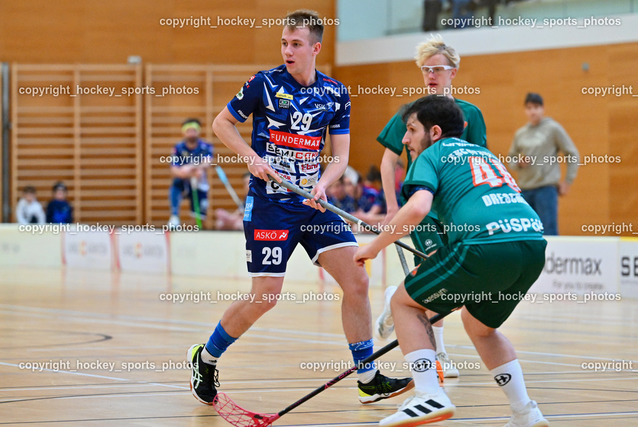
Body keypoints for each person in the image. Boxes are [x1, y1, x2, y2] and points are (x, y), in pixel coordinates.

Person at [187, 9, 412, 407]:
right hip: (271, 206)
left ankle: (367, 377)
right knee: (266, 296)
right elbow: (222, 123)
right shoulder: (264, 83)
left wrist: (324, 184)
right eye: (284, 44)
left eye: (295, 44)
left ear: (315, 48)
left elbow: (340, 157)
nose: (287, 51)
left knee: (357, 281)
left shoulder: (335, 93)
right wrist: (251, 158)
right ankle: (205, 358)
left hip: (313, 204)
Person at [355, 95, 549, 427]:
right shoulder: (484, 154)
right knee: (480, 327)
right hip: (532, 245)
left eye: (411, 130)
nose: (405, 140)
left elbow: (418, 208)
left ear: (434, 132)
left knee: (404, 303)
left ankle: (429, 395)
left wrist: (373, 247)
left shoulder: (431, 154)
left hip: (484, 245)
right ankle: (525, 412)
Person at [376, 35, 487, 378]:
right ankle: (438, 353)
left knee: (449, 279)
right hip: (422, 206)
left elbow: (477, 163)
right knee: (436, 273)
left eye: (437, 69)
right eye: (425, 69)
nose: (431, 75)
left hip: (455, 212)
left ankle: (395, 297)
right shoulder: (411, 114)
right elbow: (388, 161)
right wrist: (392, 207)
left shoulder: (470, 115)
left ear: (454, 72)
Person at [507, 92, 579, 235]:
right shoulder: (520, 133)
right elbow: (510, 158)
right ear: (525, 110)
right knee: (527, 234)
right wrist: (518, 163)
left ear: (542, 108)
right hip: (524, 190)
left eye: (536, 107)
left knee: (548, 232)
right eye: (529, 108)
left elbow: (572, 154)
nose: (532, 111)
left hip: (546, 190)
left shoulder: (553, 129)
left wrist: (568, 181)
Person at [168, 118, 213, 228]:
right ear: (184, 132)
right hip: (184, 181)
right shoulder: (178, 148)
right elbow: (174, 169)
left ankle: (198, 229)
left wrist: (190, 167)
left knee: (199, 218)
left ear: (198, 131)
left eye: (194, 130)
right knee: (176, 184)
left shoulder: (206, 147)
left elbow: (207, 163)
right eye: (189, 131)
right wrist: (190, 173)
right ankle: (174, 215)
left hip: (199, 183)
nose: (191, 133)